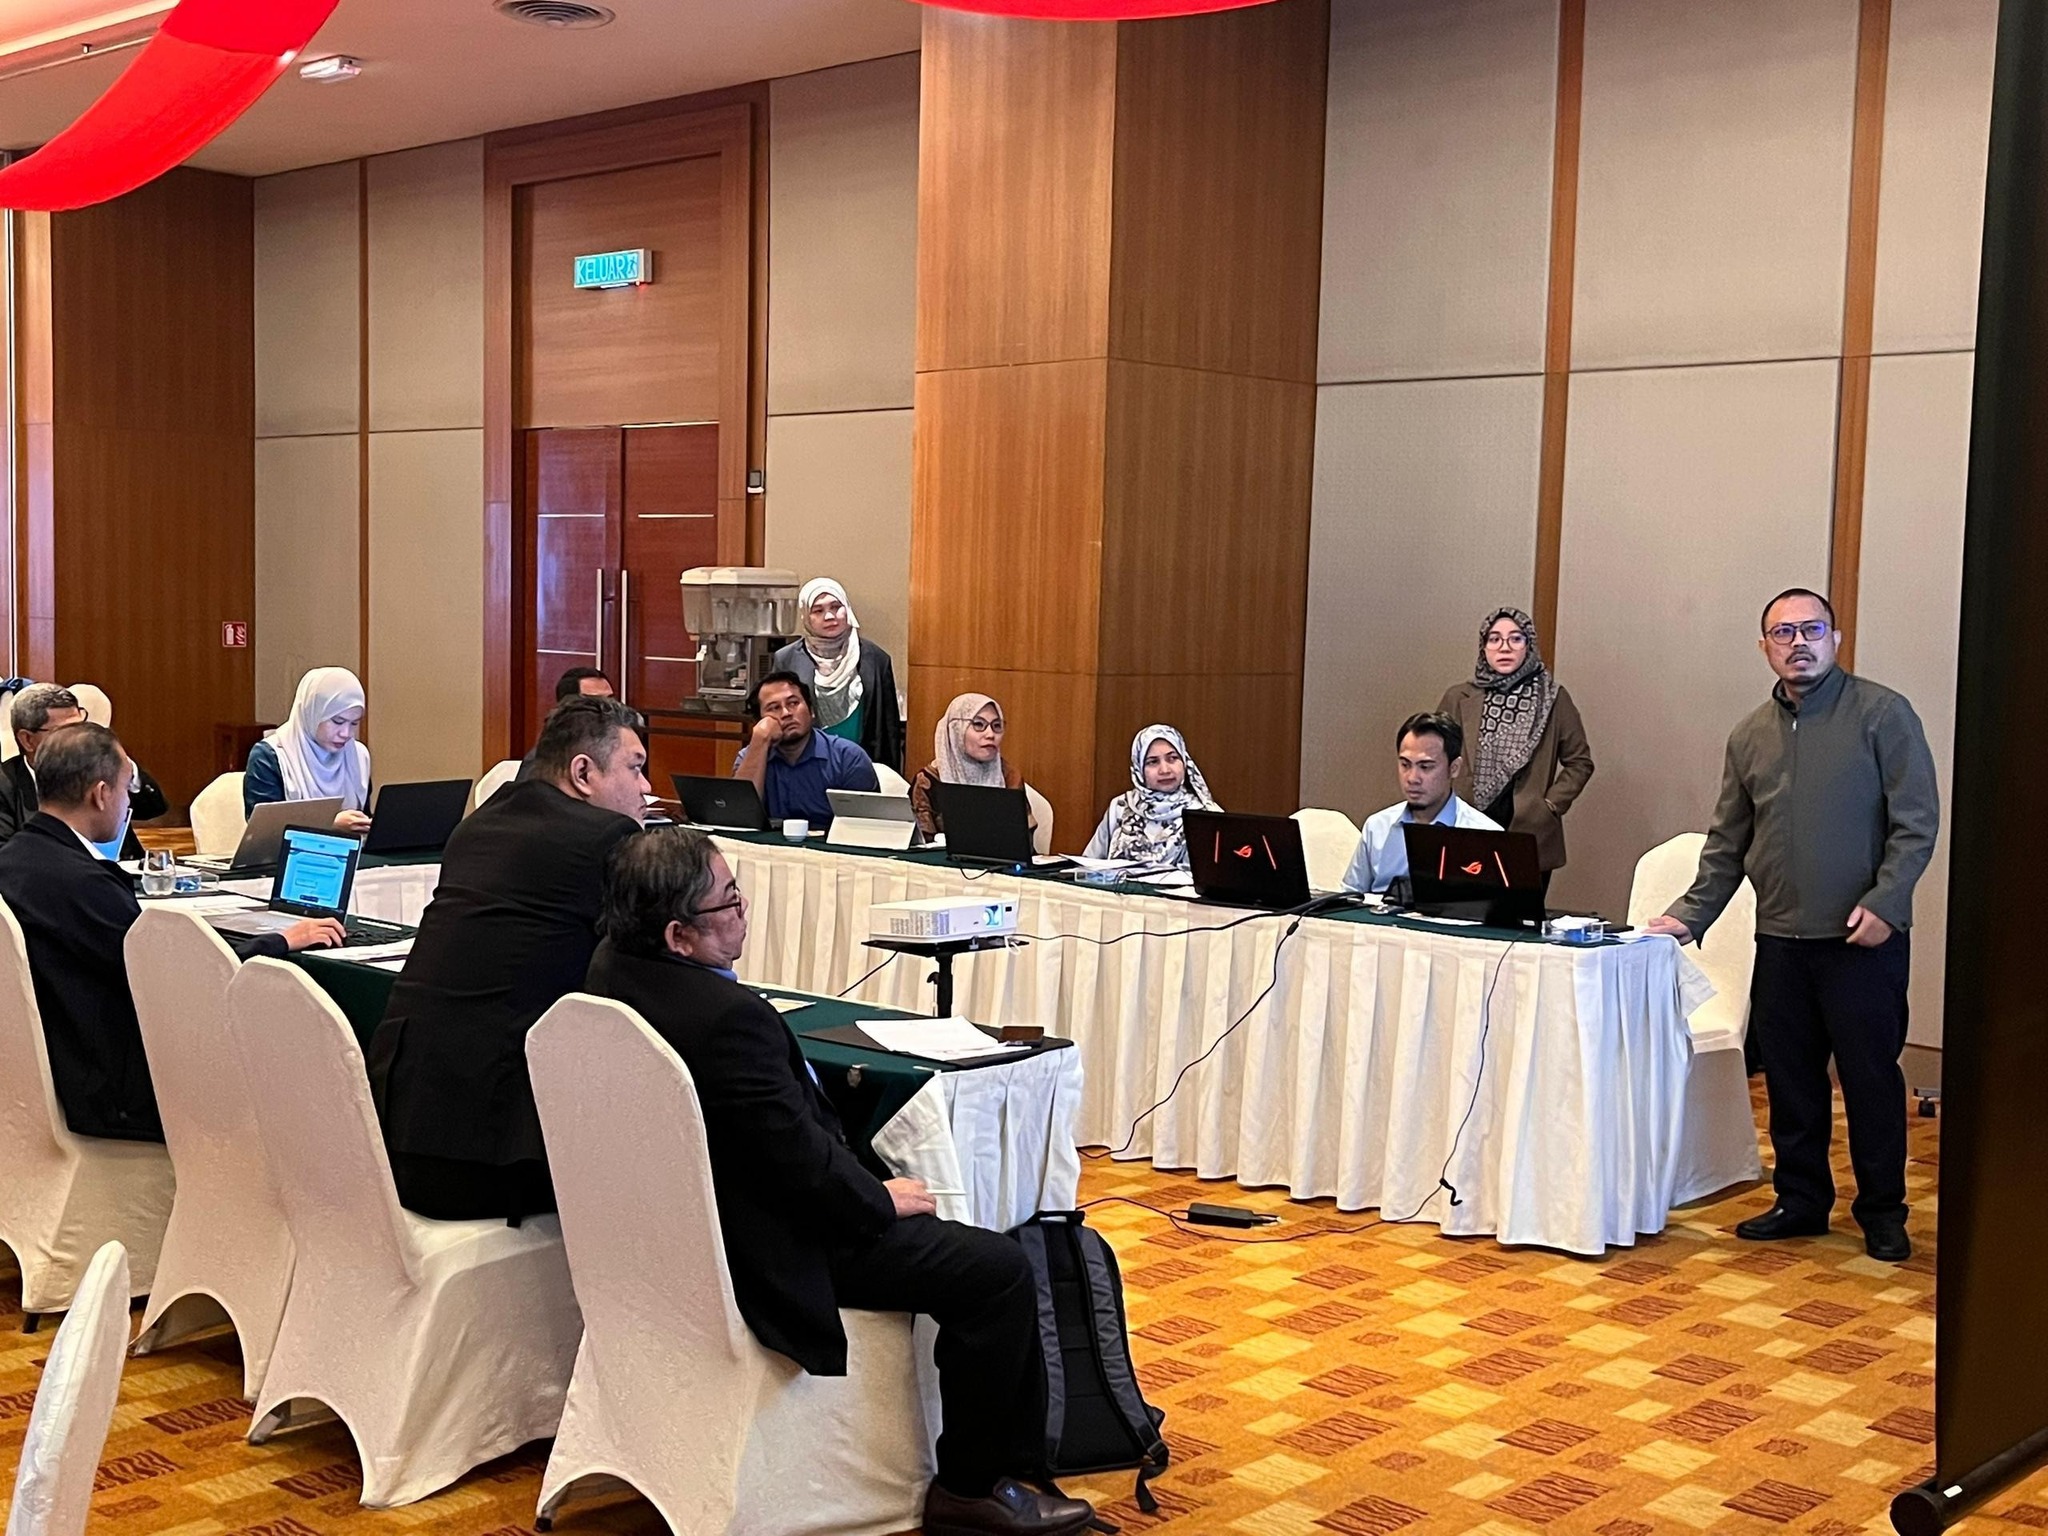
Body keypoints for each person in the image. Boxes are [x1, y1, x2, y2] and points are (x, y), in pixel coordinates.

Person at [585, 827, 1094, 1536]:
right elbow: (796, 1166)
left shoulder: (608, 968)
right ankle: (972, 1489)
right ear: (679, 936)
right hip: (772, 1249)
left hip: (674, 1228)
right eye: (728, 901)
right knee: (997, 1270)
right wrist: (878, 1198)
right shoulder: (728, 1021)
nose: (743, 909)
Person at [1648, 589, 1939, 1263]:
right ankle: (1802, 1200)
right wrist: (1688, 915)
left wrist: (1887, 902)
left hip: (1862, 939)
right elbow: (1727, 843)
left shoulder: (1883, 714)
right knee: (1790, 1079)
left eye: (1811, 629)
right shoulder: (1749, 735)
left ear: (1836, 639)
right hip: (1780, 938)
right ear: (1765, 648)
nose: (1798, 642)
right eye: (1783, 633)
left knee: (1869, 1080)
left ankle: (1882, 1210)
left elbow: (1916, 823)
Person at [367, 695, 649, 1222]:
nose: (646, 787)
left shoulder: (477, 826)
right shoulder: (605, 837)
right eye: (635, 768)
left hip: (395, 1130)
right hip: (487, 1155)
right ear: (583, 773)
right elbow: (639, 965)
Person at [0, 724, 341, 1142]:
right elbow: (178, 982)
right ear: (101, 794)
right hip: (114, 1092)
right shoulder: (83, 884)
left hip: (47, 1074)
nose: (129, 802)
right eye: (127, 790)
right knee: (296, 1065)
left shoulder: (15, 859)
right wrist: (279, 941)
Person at [1436, 608, 1594, 894]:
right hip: (1467, 824)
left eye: (1515, 639)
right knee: (1463, 913)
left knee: (1519, 917)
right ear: (1483, 647)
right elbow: (1436, 756)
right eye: (1494, 639)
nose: (1504, 647)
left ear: (1528, 645)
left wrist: (1550, 805)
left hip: (1527, 827)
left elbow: (1580, 762)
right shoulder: (1459, 697)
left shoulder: (1553, 698)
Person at [1342, 712, 1501, 895]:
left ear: (1454, 768)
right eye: (1405, 765)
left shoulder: (1487, 837)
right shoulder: (1377, 827)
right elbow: (1349, 897)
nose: (1412, 778)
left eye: (1425, 767)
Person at [770, 578, 906, 773]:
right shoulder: (787, 659)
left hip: (862, 765)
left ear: (847, 608)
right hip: (804, 766)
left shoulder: (876, 659)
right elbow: (775, 718)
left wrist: (890, 774)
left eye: (836, 607)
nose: (829, 616)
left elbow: (888, 727)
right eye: (818, 610)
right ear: (806, 617)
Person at [731, 671, 879, 830]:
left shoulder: (847, 757)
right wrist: (760, 740)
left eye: (793, 703)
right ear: (760, 721)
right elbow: (739, 817)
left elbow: (866, 829)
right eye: (774, 708)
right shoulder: (750, 756)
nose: (786, 713)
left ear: (811, 711)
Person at [245, 666, 371, 832]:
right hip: (288, 848)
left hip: (351, 847)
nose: (346, 733)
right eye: (338, 722)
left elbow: (364, 819)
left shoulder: (358, 755)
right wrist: (328, 823)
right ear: (311, 713)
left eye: (354, 723)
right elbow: (263, 828)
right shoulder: (271, 757)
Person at [1082, 724, 1221, 867]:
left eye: (1172, 758)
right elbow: (1088, 864)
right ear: (1139, 768)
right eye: (1153, 762)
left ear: (1184, 762)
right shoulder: (1121, 807)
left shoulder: (1207, 815)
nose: (1165, 770)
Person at [910, 694, 1030, 839]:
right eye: (979, 724)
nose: (990, 734)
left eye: (997, 726)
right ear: (956, 729)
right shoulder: (927, 781)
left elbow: (1024, 840)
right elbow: (923, 842)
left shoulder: (1009, 777)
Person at [514, 667, 617, 784]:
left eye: (611, 700)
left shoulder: (616, 746)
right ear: (568, 705)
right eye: (596, 701)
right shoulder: (546, 757)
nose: (609, 709)